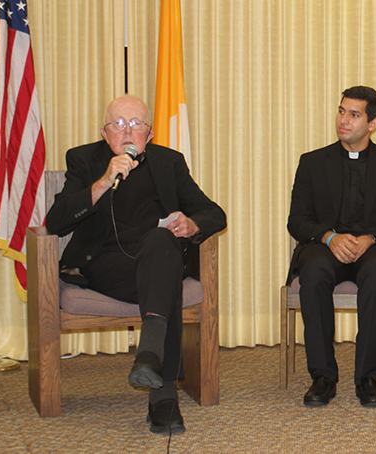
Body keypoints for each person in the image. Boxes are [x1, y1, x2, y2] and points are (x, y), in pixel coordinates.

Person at [45, 95, 226, 434]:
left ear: (150, 133)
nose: (128, 132)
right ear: (104, 132)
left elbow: (215, 213)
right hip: (107, 268)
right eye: (118, 124)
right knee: (166, 276)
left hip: (158, 258)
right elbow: (55, 222)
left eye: (137, 124)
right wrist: (102, 182)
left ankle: (150, 356)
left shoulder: (169, 162)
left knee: (162, 245)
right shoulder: (84, 160)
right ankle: (163, 395)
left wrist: (192, 224)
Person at [287, 86, 376, 407]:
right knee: (313, 271)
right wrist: (330, 237)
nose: (343, 120)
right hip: (325, 246)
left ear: (372, 123)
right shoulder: (312, 163)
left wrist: (370, 238)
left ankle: (367, 378)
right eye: (341, 111)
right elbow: (298, 221)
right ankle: (323, 376)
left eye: (354, 114)